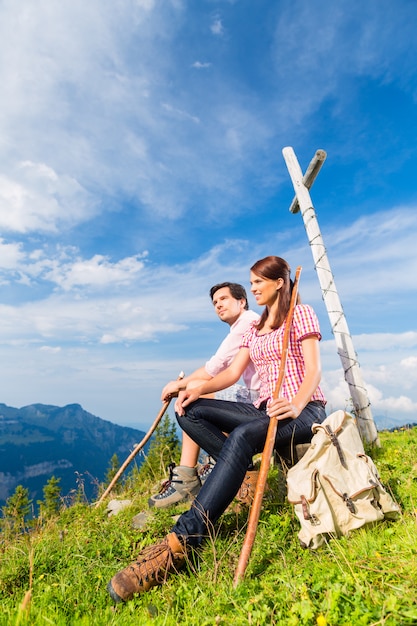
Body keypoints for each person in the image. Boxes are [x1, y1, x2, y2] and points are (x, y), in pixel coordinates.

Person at [107, 256, 327, 603]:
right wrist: (193, 389)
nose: (253, 287)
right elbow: (230, 374)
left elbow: (314, 369)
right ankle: (237, 474)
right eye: (251, 282)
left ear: (280, 282)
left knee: (240, 437)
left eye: (258, 282)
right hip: (263, 410)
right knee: (190, 411)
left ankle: (180, 544)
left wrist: (297, 404)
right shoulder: (256, 329)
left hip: (303, 408)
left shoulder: (300, 314)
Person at [148, 282, 260, 508]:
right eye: (215, 303)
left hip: (259, 399)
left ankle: (187, 477)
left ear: (242, 301)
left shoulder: (246, 324)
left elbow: (213, 369)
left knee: (196, 393)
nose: (218, 305)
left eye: (224, 299)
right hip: (255, 396)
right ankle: (206, 465)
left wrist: (177, 386)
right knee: (201, 390)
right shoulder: (246, 323)